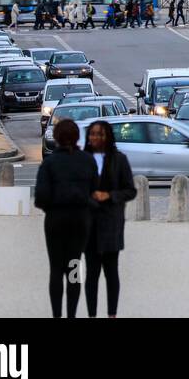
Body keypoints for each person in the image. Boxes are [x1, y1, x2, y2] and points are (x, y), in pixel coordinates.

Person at [34, 119, 98, 318]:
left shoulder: (49, 163)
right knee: (73, 267)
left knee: (56, 268)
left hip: (55, 219)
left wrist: (51, 206)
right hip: (80, 220)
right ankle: (72, 314)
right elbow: (95, 192)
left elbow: (40, 197)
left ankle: (57, 315)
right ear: (77, 137)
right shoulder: (88, 160)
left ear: (58, 139)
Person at [83, 120, 136, 317]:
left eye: (100, 134)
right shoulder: (83, 158)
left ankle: (112, 313)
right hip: (89, 223)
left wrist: (110, 196)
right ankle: (92, 314)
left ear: (108, 137)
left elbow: (130, 190)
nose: (95, 137)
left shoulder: (119, 159)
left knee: (111, 272)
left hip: (111, 222)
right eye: (92, 134)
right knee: (91, 274)